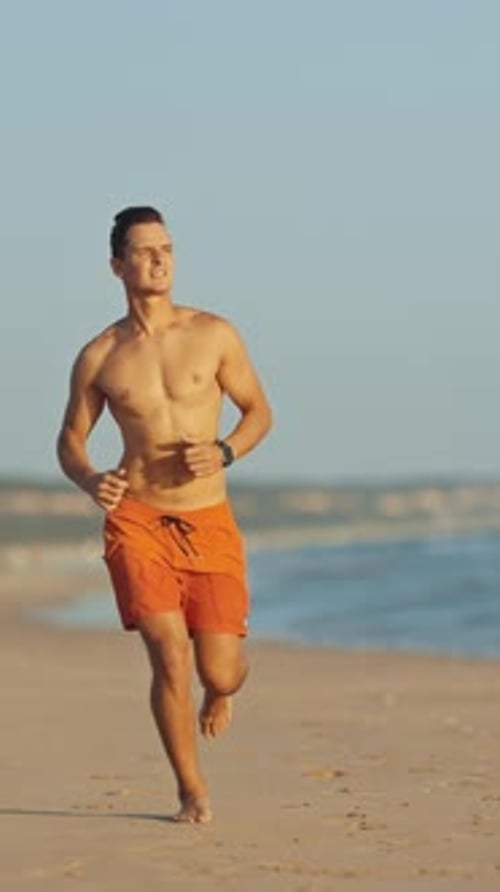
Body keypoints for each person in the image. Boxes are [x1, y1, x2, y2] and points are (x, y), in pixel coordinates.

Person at [57, 206, 272, 823]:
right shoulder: (100, 356)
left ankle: (222, 689)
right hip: (138, 517)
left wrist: (226, 449)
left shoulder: (215, 334)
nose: (160, 260)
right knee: (167, 649)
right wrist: (91, 477)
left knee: (219, 669)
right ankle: (191, 791)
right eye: (146, 251)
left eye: (167, 249)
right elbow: (70, 438)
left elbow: (259, 411)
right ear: (117, 266)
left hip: (208, 518)